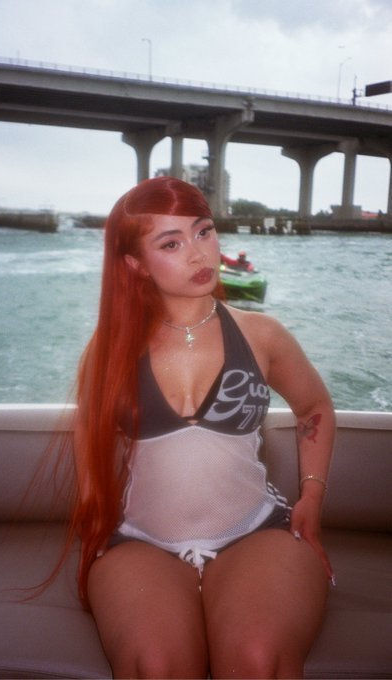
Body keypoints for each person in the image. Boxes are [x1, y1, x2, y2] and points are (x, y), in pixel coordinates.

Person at [70, 176, 335, 679]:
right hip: (142, 540)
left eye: (204, 231)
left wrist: (312, 497)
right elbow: (89, 429)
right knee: (156, 667)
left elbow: (314, 406)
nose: (198, 253)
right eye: (171, 243)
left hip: (256, 532)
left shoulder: (262, 335)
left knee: (258, 660)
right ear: (135, 263)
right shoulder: (111, 347)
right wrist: (92, 511)